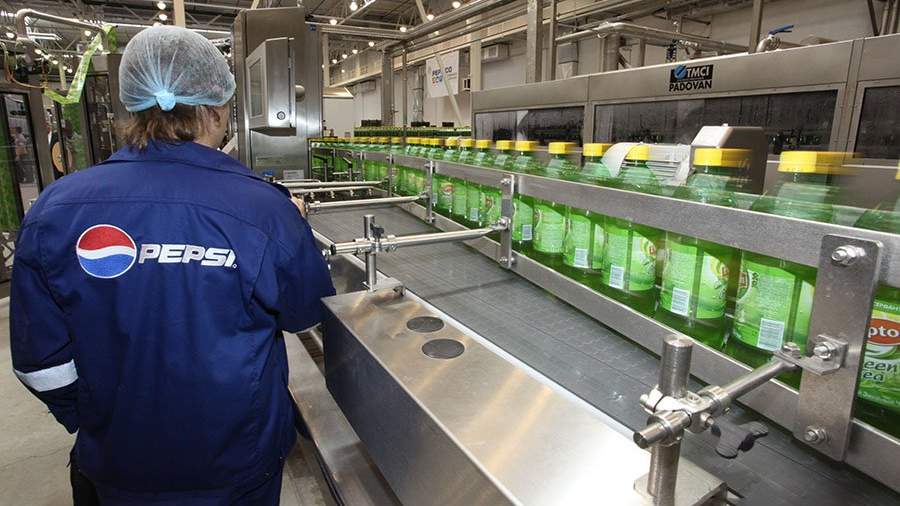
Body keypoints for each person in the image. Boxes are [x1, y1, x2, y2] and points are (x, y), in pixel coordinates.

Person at [9, 26, 335, 505]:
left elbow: (40, 363)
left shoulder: (55, 209)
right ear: (216, 108)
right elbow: (305, 312)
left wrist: (103, 420)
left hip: (118, 467)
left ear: (133, 104)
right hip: (235, 463)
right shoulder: (263, 209)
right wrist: (293, 229)